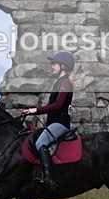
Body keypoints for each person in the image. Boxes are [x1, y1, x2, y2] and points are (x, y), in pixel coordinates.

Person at [22, 51, 75, 189]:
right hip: (53, 123)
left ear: (63, 66)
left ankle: (49, 178)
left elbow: (57, 105)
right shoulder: (58, 83)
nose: (52, 66)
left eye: (54, 64)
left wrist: (35, 110)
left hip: (61, 124)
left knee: (40, 143)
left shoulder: (66, 84)